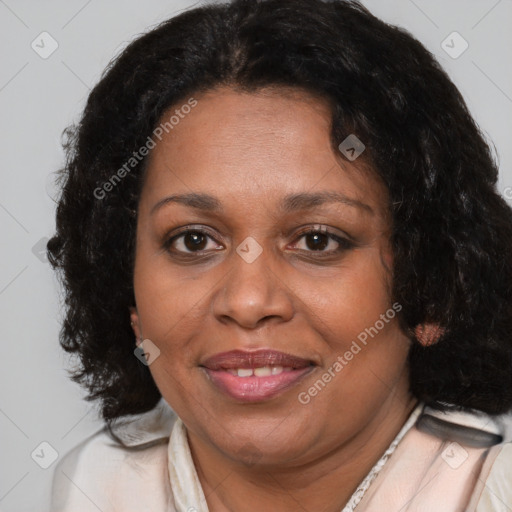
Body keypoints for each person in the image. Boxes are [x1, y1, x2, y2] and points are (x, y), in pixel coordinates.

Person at [47, 0, 512, 510]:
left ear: (435, 289)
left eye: (318, 240)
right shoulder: (94, 485)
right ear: (127, 295)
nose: (247, 302)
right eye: (193, 240)